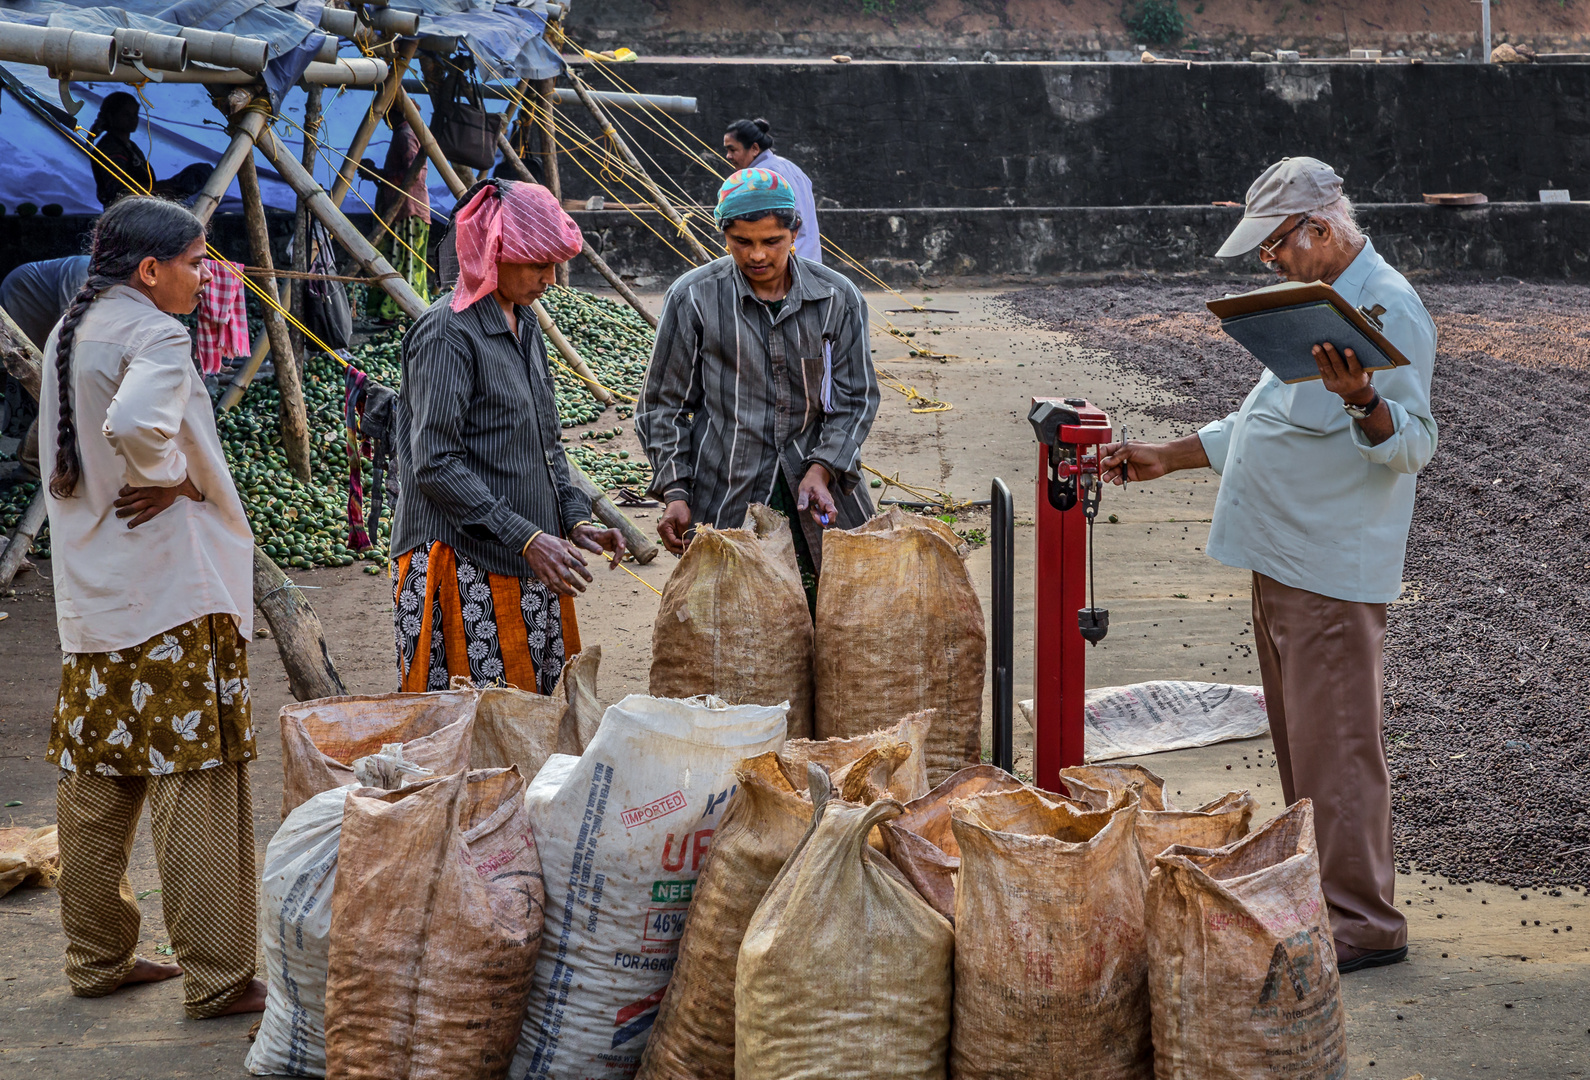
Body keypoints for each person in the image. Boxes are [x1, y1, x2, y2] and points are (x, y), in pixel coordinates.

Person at [1101, 157, 1438, 974]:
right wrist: (1168, 457)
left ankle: (1363, 924)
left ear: (1319, 231)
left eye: (1276, 246)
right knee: (1304, 749)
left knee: (1340, 750)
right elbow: (1265, 419)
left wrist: (1365, 401)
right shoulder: (1314, 305)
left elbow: (1416, 444)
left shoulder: (1386, 306)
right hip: (1283, 557)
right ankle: (1321, 900)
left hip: (1328, 565)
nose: (1271, 262)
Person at [37, 196, 264, 1017]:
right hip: (171, 595)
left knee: (96, 784)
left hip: (95, 598)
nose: (205, 279)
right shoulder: (157, 333)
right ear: (151, 269)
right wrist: (168, 473)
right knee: (197, 782)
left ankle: (96, 959)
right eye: (198, 262)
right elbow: (136, 424)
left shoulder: (75, 327)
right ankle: (220, 977)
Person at [390, 179, 626, 694]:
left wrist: (571, 518)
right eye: (537, 263)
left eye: (555, 263)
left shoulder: (525, 324)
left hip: (530, 558)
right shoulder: (447, 333)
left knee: (531, 722)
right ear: (493, 254)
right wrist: (525, 535)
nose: (551, 278)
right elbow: (435, 462)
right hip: (464, 563)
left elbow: (546, 442)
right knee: (478, 730)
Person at [636, 167, 879, 608]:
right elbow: (662, 406)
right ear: (723, 235)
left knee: (842, 617)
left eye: (772, 241)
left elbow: (856, 399)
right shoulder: (693, 297)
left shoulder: (836, 297)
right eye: (742, 242)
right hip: (726, 494)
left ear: (795, 232)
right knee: (733, 629)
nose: (757, 256)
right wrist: (674, 490)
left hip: (820, 493)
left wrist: (822, 469)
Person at [361, 119, 433, 323]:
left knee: (400, 261)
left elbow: (413, 173)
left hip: (407, 209)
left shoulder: (406, 134)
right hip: (407, 207)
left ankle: (399, 310)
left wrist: (378, 173)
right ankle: (403, 310)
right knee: (405, 261)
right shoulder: (408, 131)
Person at [723, 118, 822, 264]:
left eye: (733, 150)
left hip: (780, 266)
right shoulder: (792, 168)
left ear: (755, 149)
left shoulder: (759, 178)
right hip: (810, 260)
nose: (728, 156)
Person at [89, 93, 213, 209]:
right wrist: (160, 188)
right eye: (126, 115)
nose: (132, 119)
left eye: (135, 114)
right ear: (111, 117)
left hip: (141, 206)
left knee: (201, 172)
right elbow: (120, 191)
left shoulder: (130, 146)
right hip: (126, 212)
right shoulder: (110, 147)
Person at [1, 256, 91, 351]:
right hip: (23, 288)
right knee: (21, 348)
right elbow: (70, 318)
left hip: (45, 301)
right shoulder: (83, 272)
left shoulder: (92, 270)